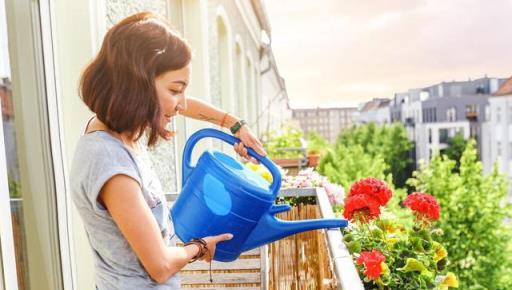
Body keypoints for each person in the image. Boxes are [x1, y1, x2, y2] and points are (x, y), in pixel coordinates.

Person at [69, 12, 266, 290]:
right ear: (137, 85)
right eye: (176, 90)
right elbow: (160, 265)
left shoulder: (118, 133)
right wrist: (198, 248)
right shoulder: (108, 161)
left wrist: (234, 125)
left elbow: (185, 103)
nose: (181, 104)